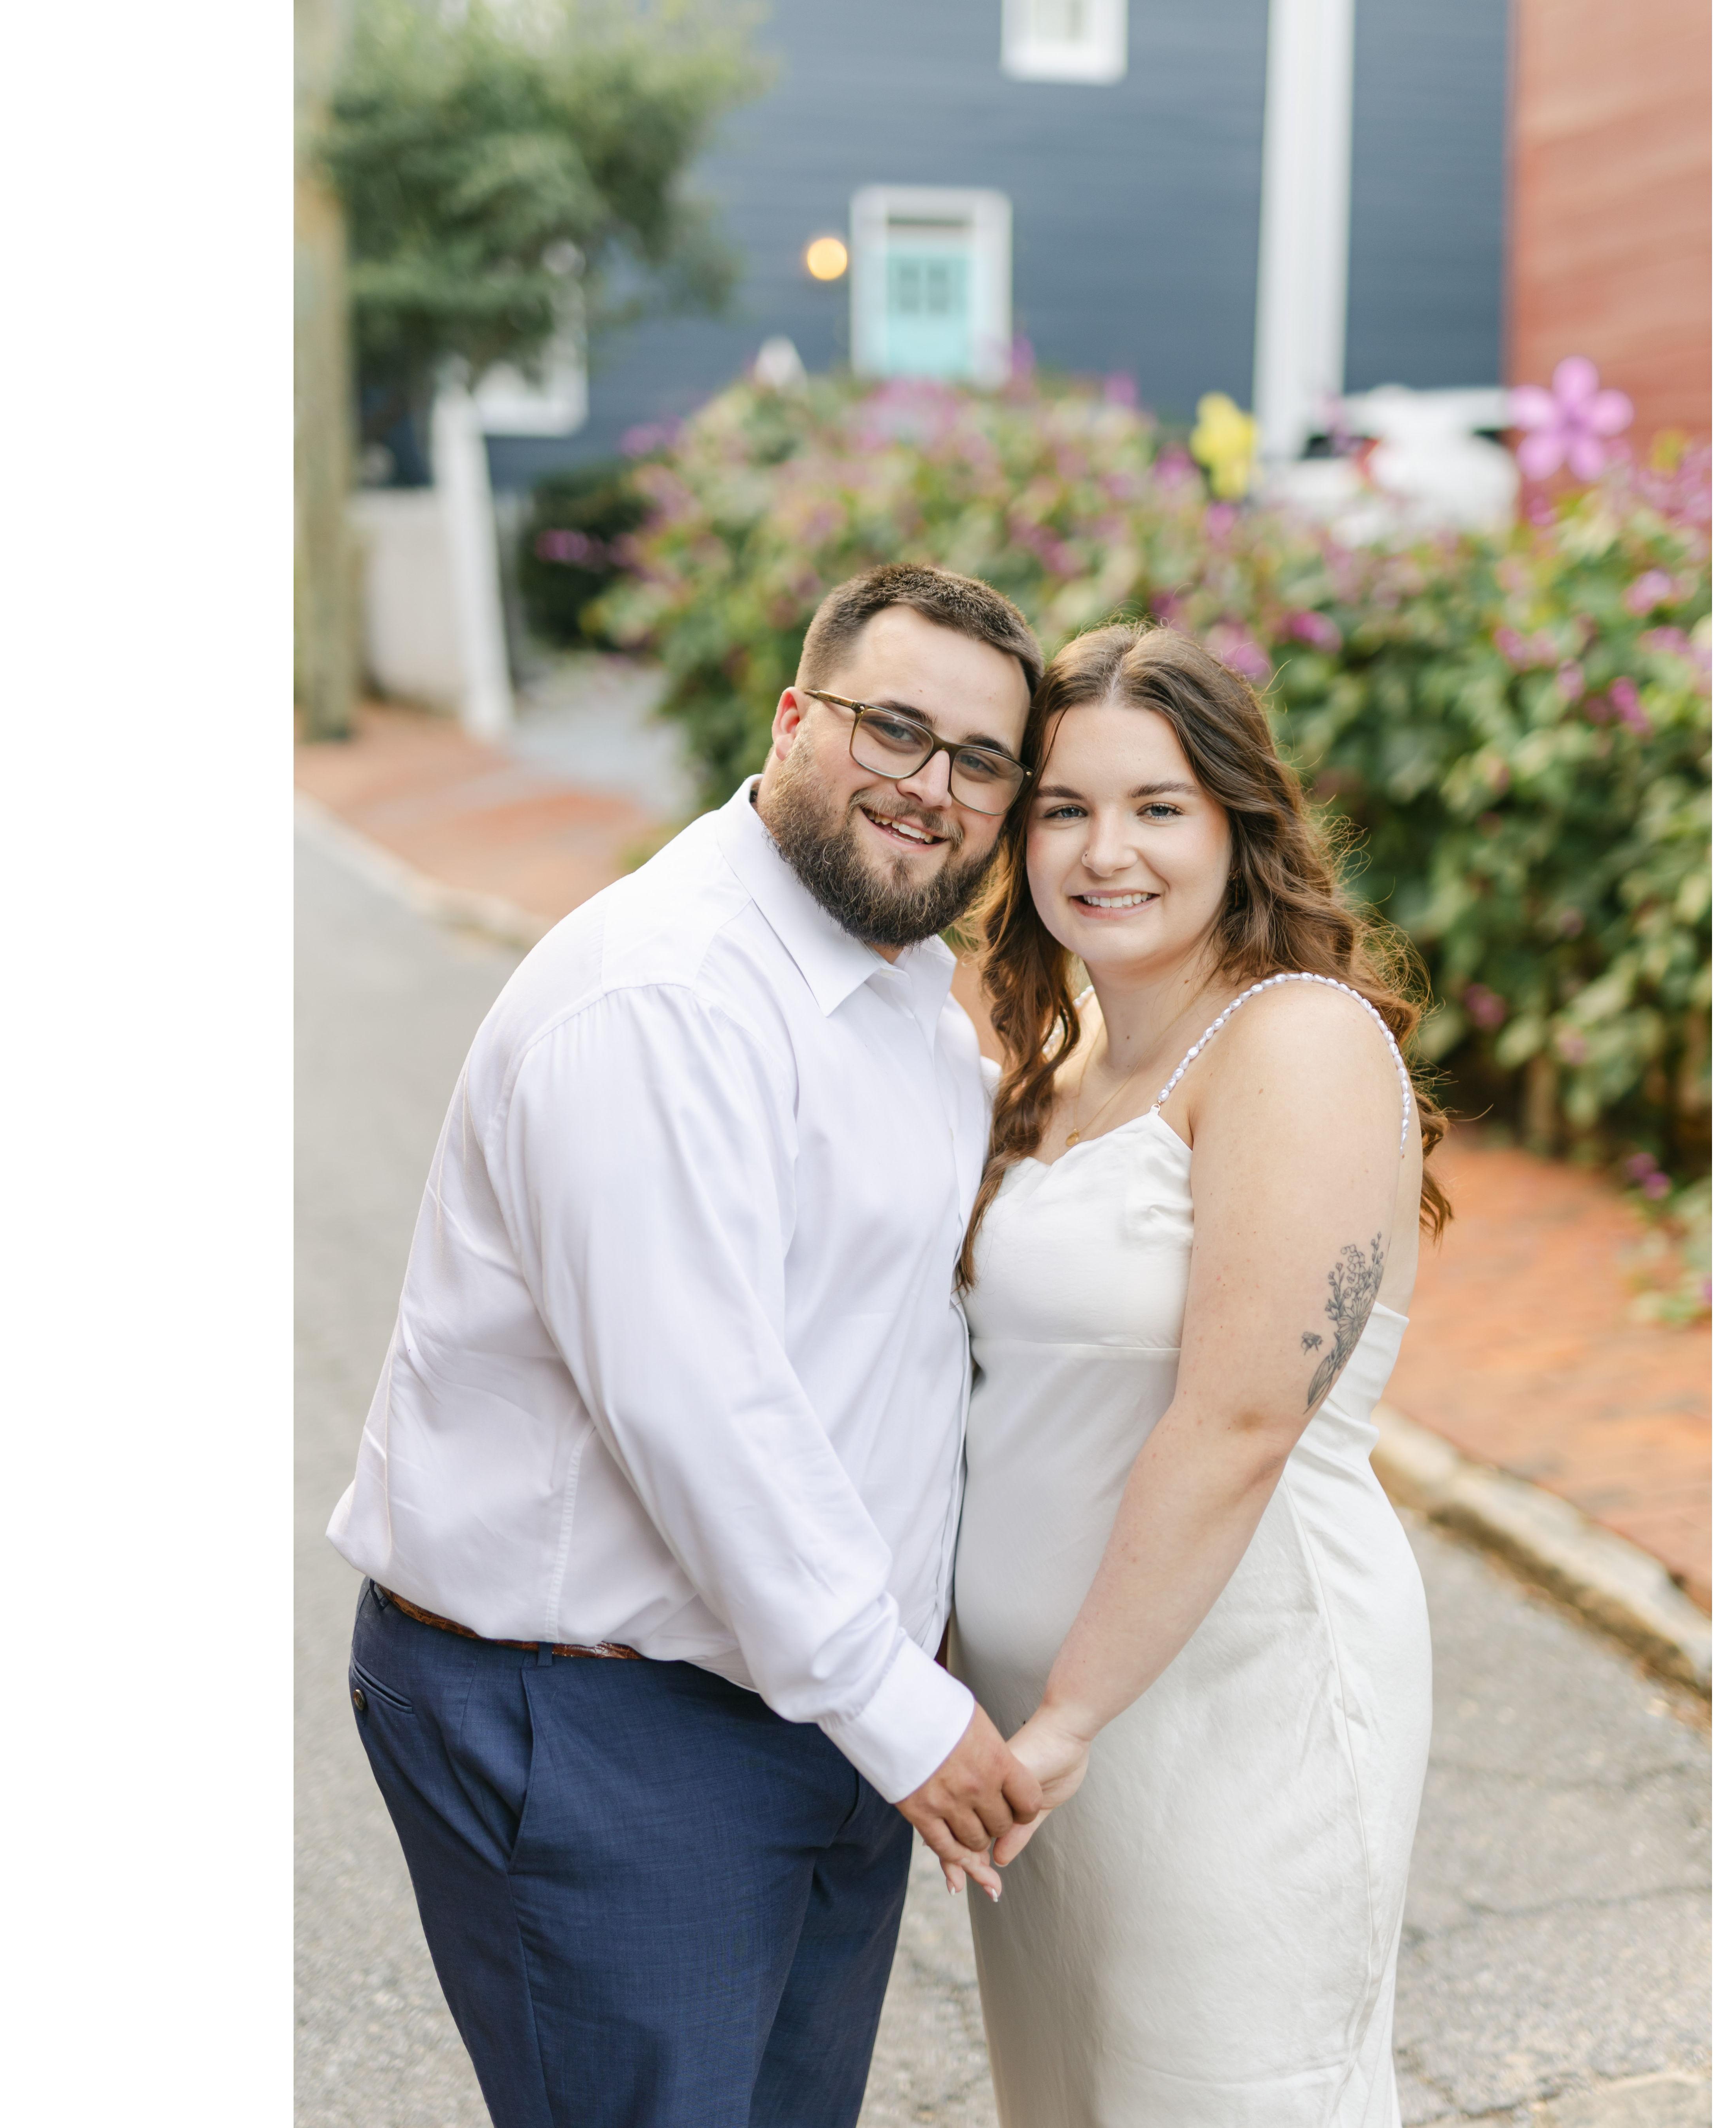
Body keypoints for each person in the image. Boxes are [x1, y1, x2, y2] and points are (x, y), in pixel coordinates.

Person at [326, 562, 1047, 2128]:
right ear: (792, 719)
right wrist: (900, 1706)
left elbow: (886, 1351)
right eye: (895, 730)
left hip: (815, 1699)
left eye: (982, 760)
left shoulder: (906, 1001)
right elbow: (700, 1410)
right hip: (601, 1722)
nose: (932, 787)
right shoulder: (663, 996)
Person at [948, 620, 1452, 2126]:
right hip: (1046, 1739)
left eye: (1157, 806)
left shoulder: (1295, 1043)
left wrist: (1067, 1718)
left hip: (1229, 1708)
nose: (1107, 851)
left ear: (1240, 824)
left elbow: (1237, 1423)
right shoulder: (1067, 1064)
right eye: (1065, 808)